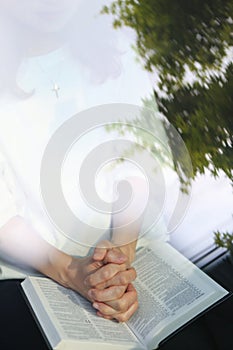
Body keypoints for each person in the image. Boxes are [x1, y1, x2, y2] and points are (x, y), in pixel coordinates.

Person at [0, 0, 166, 323]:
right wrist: (73, 271)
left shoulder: (122, 45)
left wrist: (120, 255)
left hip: (139, 255)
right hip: (32, 276)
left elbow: (138, 160)